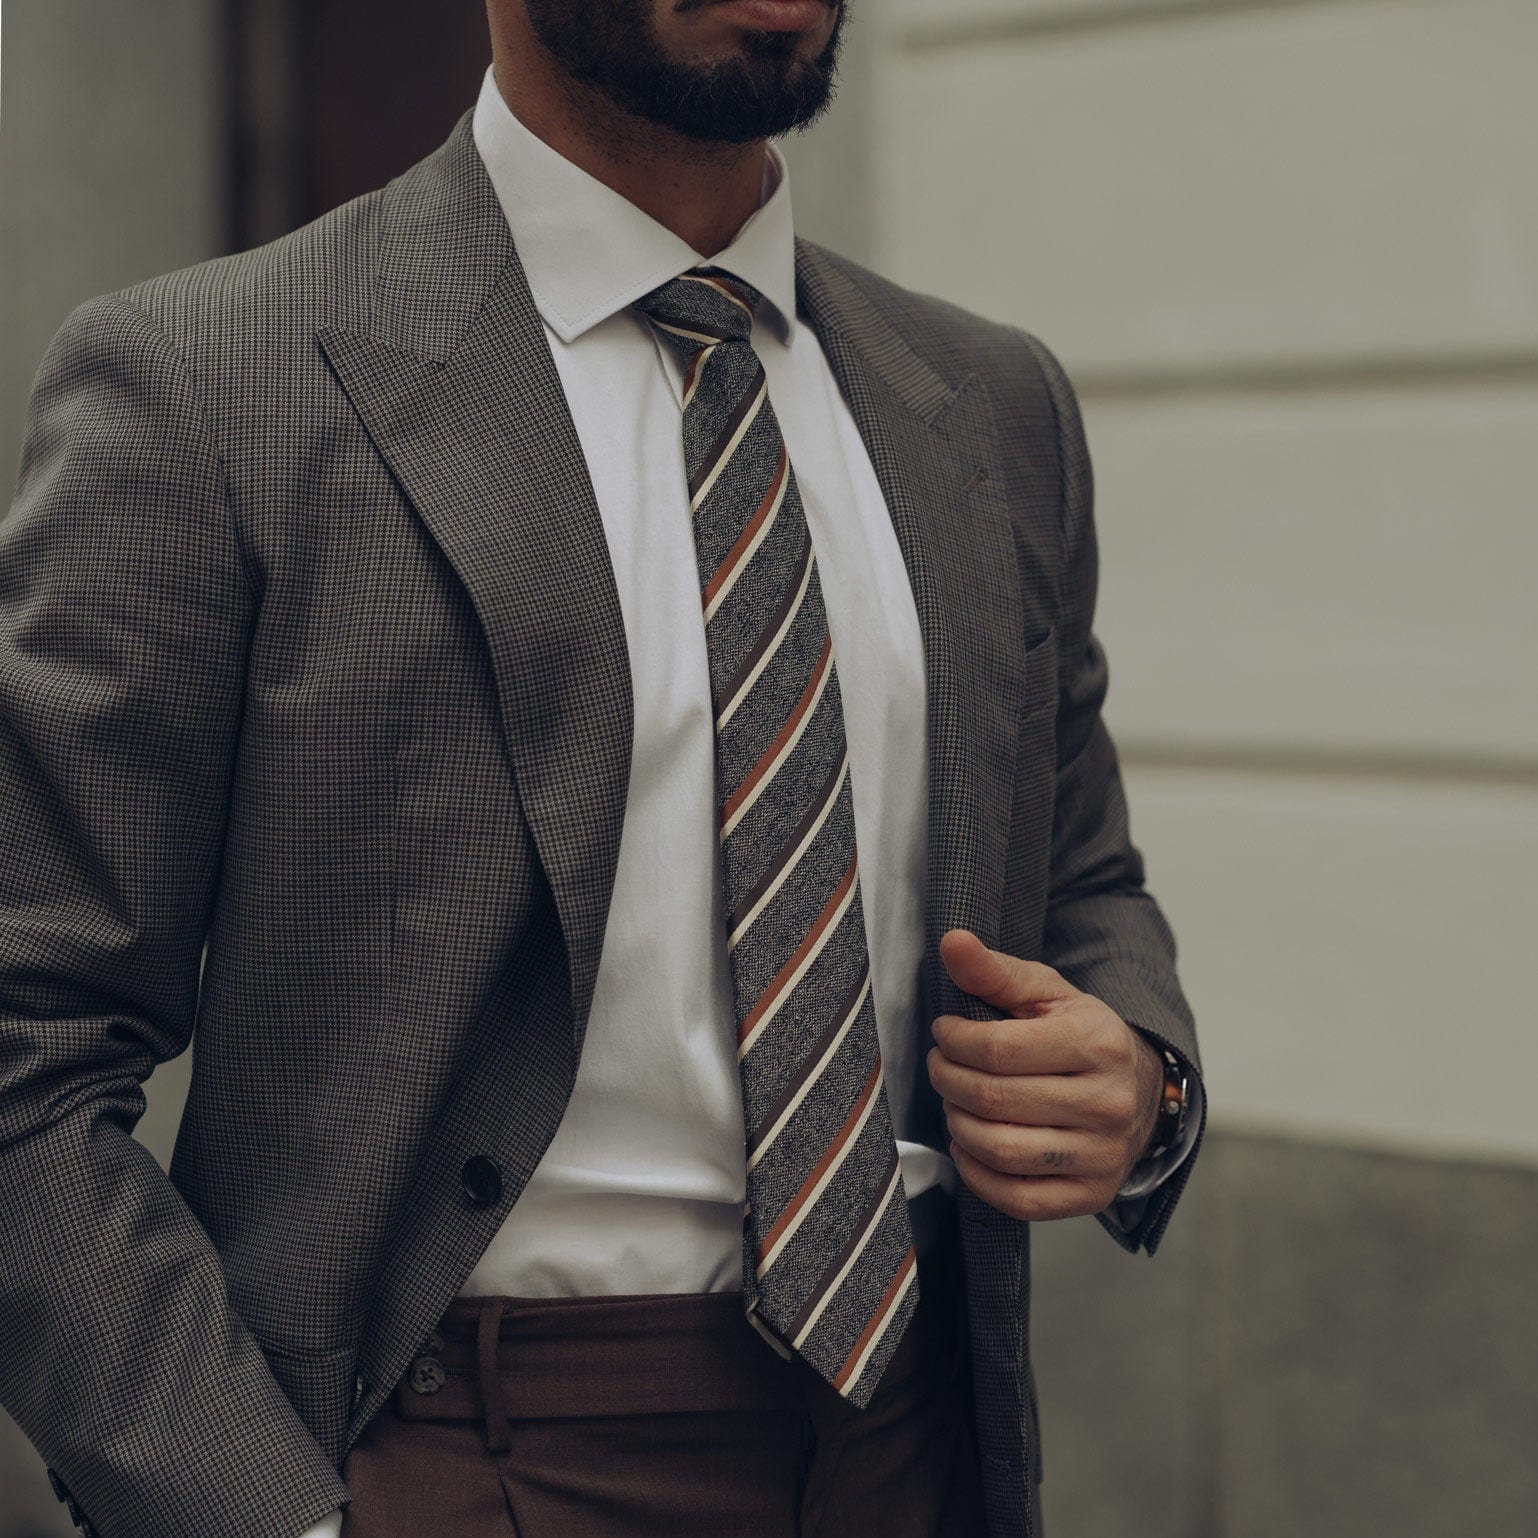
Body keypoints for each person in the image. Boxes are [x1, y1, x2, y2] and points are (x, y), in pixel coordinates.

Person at [0, 3, 1206, 1536]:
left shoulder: (991, 402)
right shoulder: (202, 385)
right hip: (445, 1451)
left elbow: (1082, 875)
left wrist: (1137, 1077)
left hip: (910, 1447)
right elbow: (23, 1037)